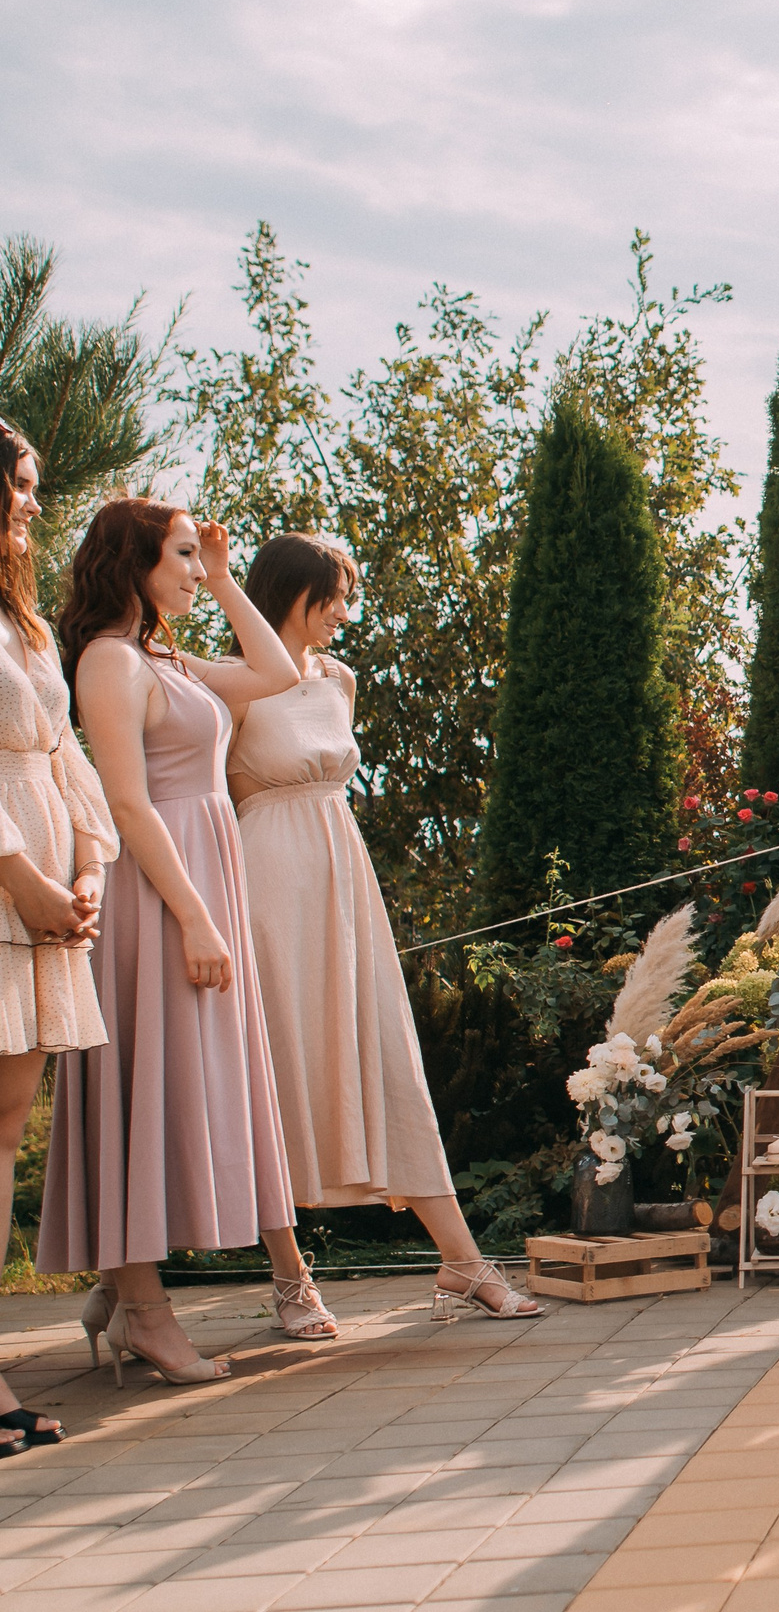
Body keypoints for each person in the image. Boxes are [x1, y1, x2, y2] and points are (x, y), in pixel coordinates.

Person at [39, 499, 325, 1382]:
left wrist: (231, 575)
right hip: (156, 892)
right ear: (135, 560)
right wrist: (196, 914)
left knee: (182, 1085)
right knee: (145, 1082)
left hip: (201, 876)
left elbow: (276, 674)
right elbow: (125, 804)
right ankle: (147, 1313)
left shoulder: (163, 656)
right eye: (185, 556)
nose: (196, 572)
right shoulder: (108, 662)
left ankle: (125, 1296)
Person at [227, 535, 538, 1320]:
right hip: (267, 885)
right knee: (281, 1067)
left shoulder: (341, 679)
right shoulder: (229, 681)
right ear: (289, 593)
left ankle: (462, 1260)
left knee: (386, 1050)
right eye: (330, 595)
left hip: (343, 876)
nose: (342, 612)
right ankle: (291, 1277)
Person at [0, 419, 115, 1448]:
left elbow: (68, 755)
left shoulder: (28, 627)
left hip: (44, 902)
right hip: (3, 893)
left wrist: (85, 865)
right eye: (25, 485)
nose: (36, 500)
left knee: (2, 1133)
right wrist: (17, 876)